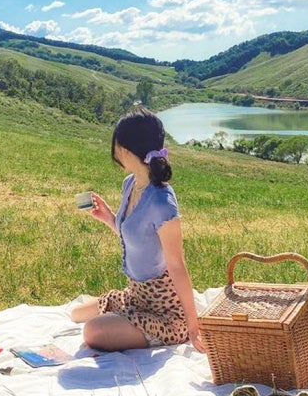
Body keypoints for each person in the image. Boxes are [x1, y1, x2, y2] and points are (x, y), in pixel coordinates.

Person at [71, 106, 206, 353]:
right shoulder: (130, 183)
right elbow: (138, 240)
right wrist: (109, 218)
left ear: (123, 149)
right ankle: (123, 315)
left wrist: (193, 324)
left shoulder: (161, 202)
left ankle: (176, 328)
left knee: (92, 331)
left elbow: (177, 264)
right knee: (76, 314)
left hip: (165, 310)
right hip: (136, 296)